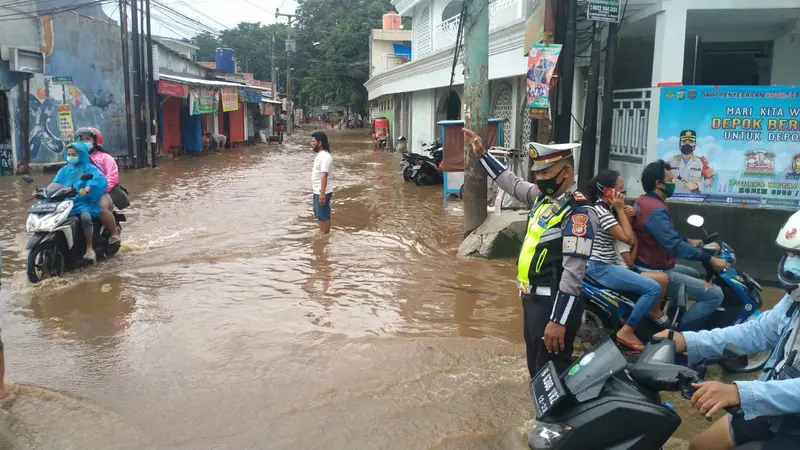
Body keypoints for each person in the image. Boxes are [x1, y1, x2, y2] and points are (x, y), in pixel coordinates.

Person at [653, 210, 800, 450]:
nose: (792, 264)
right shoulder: (793, 301)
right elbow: (757, 332)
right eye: (791, 254)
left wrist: (740, 393)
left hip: (788, 416)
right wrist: (687, 342)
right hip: (770, 407)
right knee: (700, 445)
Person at [464, 128, 595, 377]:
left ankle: (552, 417)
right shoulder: (542, 199)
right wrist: (483, 155)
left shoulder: (578, 214)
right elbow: (511, 183)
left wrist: (558, 321)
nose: (538, 178)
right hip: (533, 301)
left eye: (545, 172)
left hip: (552, 304)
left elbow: (573, 274)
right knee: (536, 370)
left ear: (566, 172)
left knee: (552, 375)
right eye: (536, 172)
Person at [633, 159, 729, 332]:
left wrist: (687, 240)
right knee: (715, 295)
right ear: (658, 184)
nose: (673, 185)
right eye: (670, 181)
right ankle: (681, 336)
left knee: (691, 272)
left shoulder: (644, 201)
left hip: (651, 261)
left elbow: (664, 234)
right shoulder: (656, 209)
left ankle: (671, 316)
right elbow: (673, 245)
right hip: (655, 270)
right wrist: (710, 259)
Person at [584, 169, 666, 351]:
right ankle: (627, 331)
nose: (623, 194)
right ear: (608, 192)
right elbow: (629, 239)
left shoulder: (605, 209)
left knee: (661, 278)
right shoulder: (602, 212)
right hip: (601, 267)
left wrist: (622, 210)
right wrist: (620, 209)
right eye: (621, 190)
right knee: (653, 289)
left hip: (606, 264)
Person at [53, 141, 108, 261]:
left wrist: (87, 188)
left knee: (85, 217)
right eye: (69, 154)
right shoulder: (63, 170)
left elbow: (97, 179)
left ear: (81, 154)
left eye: (74, 154)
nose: (71, 157)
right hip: (66, 202)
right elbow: (55, 184)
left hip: (83, 202)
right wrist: (43, 192)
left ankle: (89, 248)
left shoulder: (88, 168)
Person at [76, 127, 120, 245]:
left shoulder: (105, 158)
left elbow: (113, 176)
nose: (84, 142)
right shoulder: (76, 159)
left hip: (103, 192)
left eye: (87, 139)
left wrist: (98, 189)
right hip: (80, 192)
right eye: (82, 139)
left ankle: (113, 233)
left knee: (100, 208)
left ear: (95, 141)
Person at [667, 129, 715, 195]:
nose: (687, 144)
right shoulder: (670, 161)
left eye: (690, 142)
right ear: (680, 143)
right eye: (684, 141)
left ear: (694, 144)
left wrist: (697, 185)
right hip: (673, 199)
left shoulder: (702, 162)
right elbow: (662, 178)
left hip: (693, 201)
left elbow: (710, 181)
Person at [311, 131, 333, 235]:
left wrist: (322, 193)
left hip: (322, 191)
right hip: (317, 190)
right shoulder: (320, 155)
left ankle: (326, 237)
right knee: (319, 215)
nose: (312, 143)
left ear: (319, 143)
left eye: (313, 141)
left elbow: (324, 175)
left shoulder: (325, 156)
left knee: (324, 216)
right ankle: (322, 234)